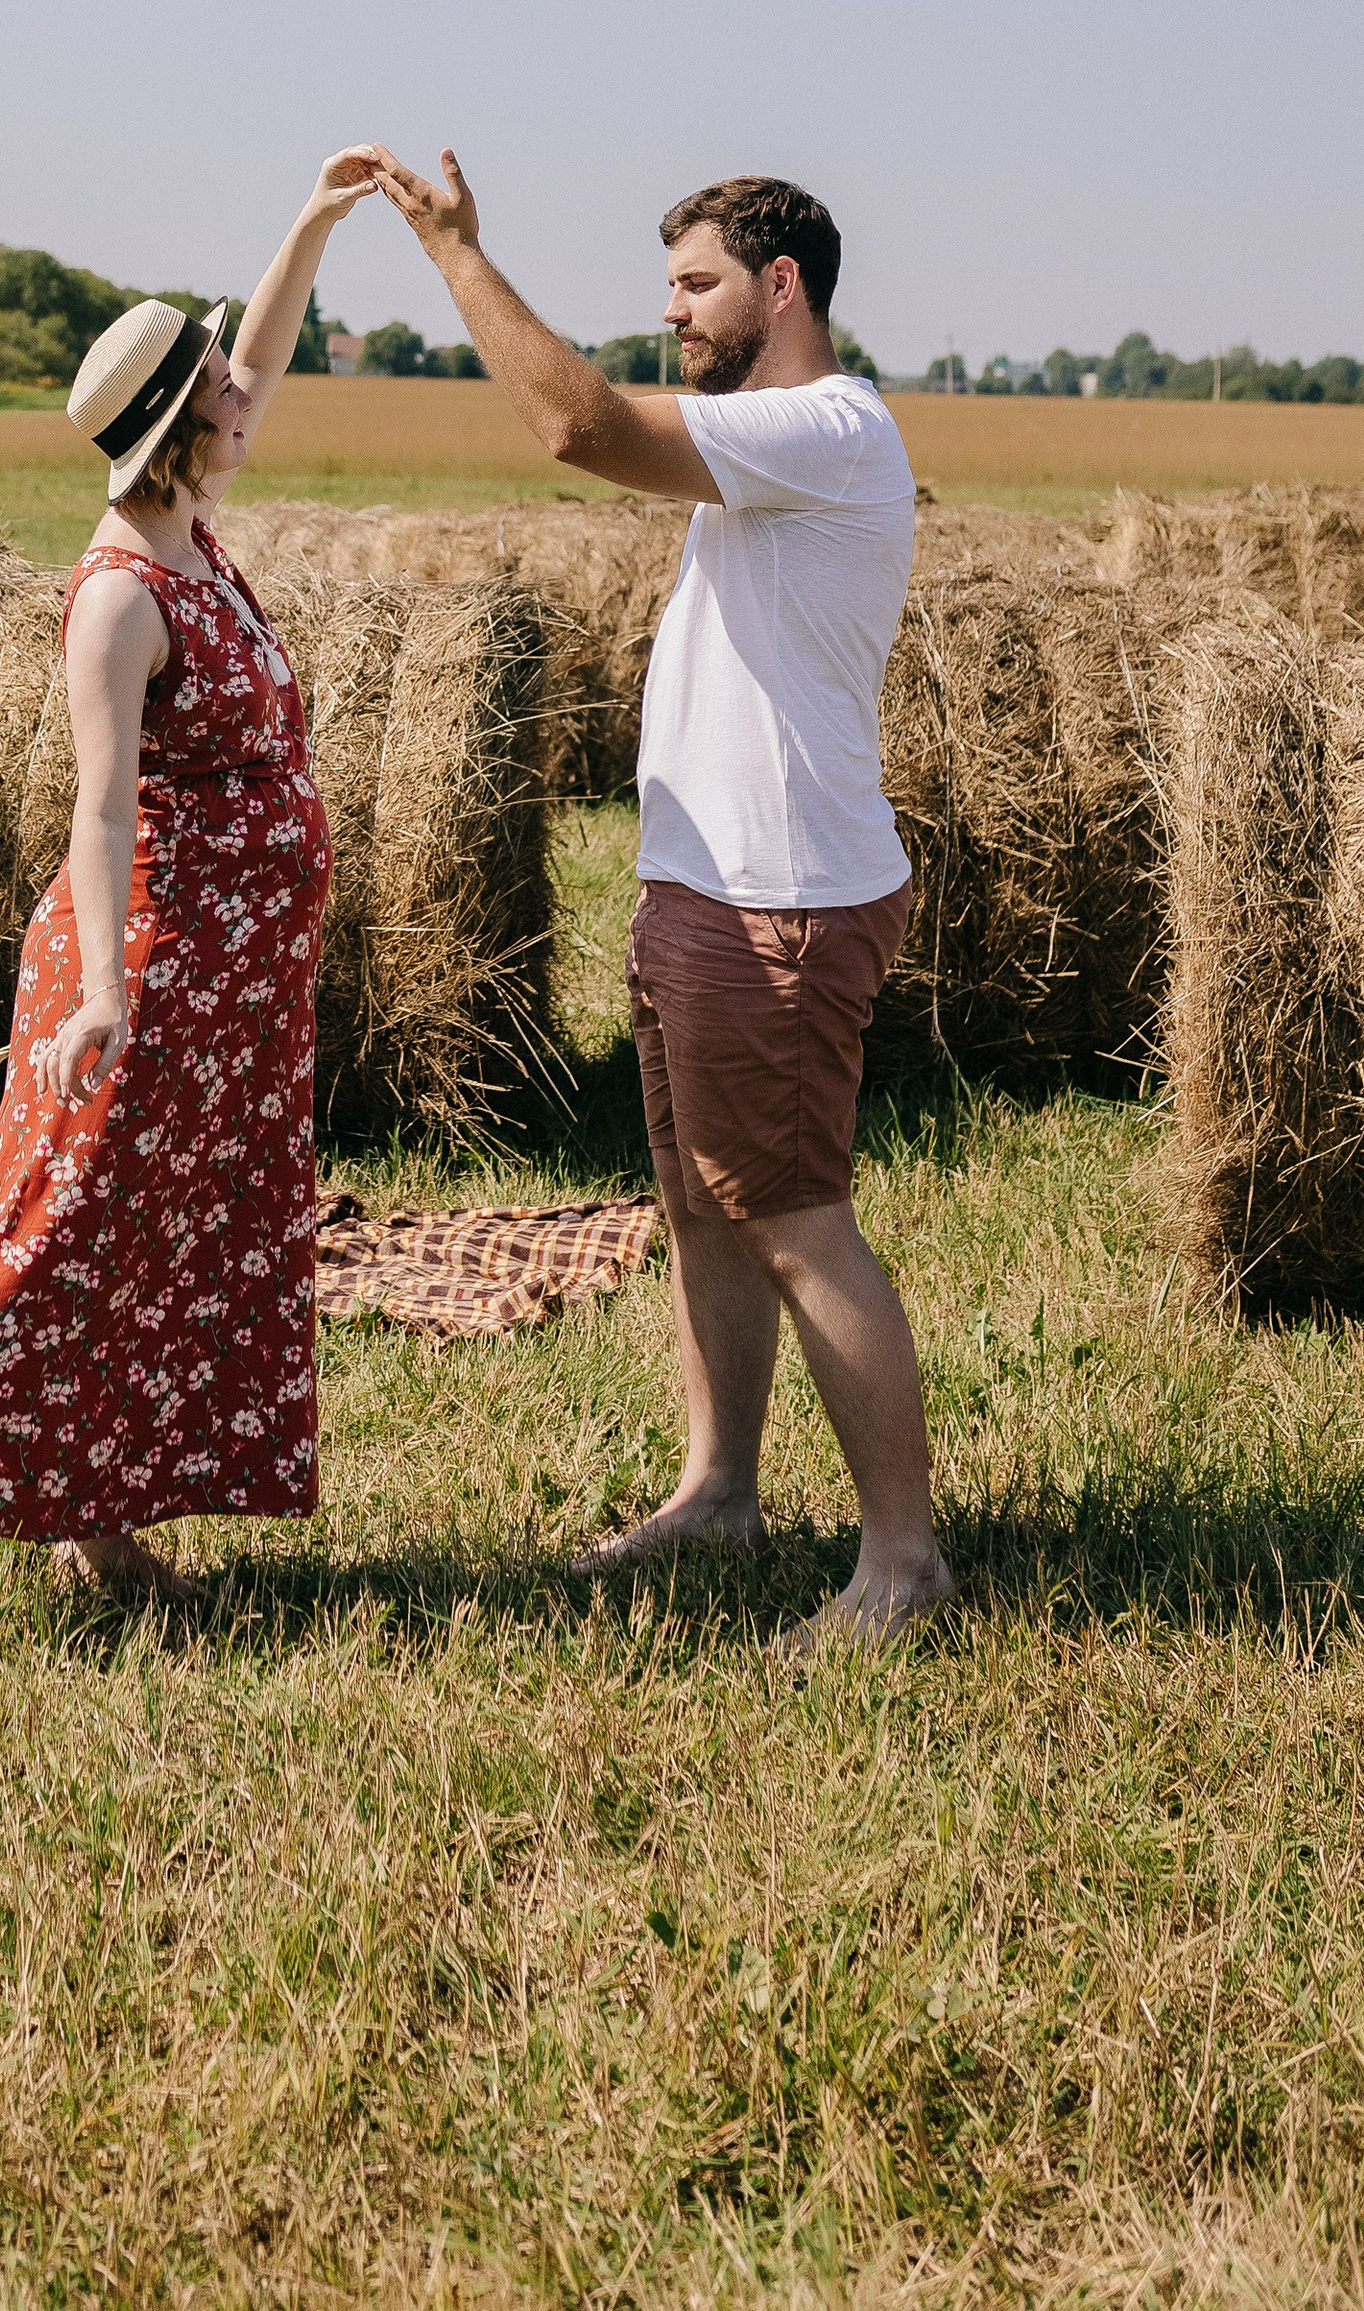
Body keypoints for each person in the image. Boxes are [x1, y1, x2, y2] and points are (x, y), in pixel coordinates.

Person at [364, 148, 951, 1651]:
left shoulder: (823, 425)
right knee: (702, 1206)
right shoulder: (769, 435)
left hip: (780, 903)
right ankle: (721, 1492)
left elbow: (577, 426)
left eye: (694, 285)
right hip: (705, 887)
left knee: (797, 1221)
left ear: (780, 285)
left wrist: (453, 254)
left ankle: (904, 1567)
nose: (672, 313)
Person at [0, 154, 376, 1661]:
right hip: (143, 971)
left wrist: (313, 224)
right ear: (178, 422)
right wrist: (101, 996)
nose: (240, 387)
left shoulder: (192, 520)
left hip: (231, 984)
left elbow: (261, 354)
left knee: (168, 1235)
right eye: (216, 379)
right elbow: (97, 808)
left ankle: (96, 1509)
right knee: (55, 1229)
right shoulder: (121, 594)